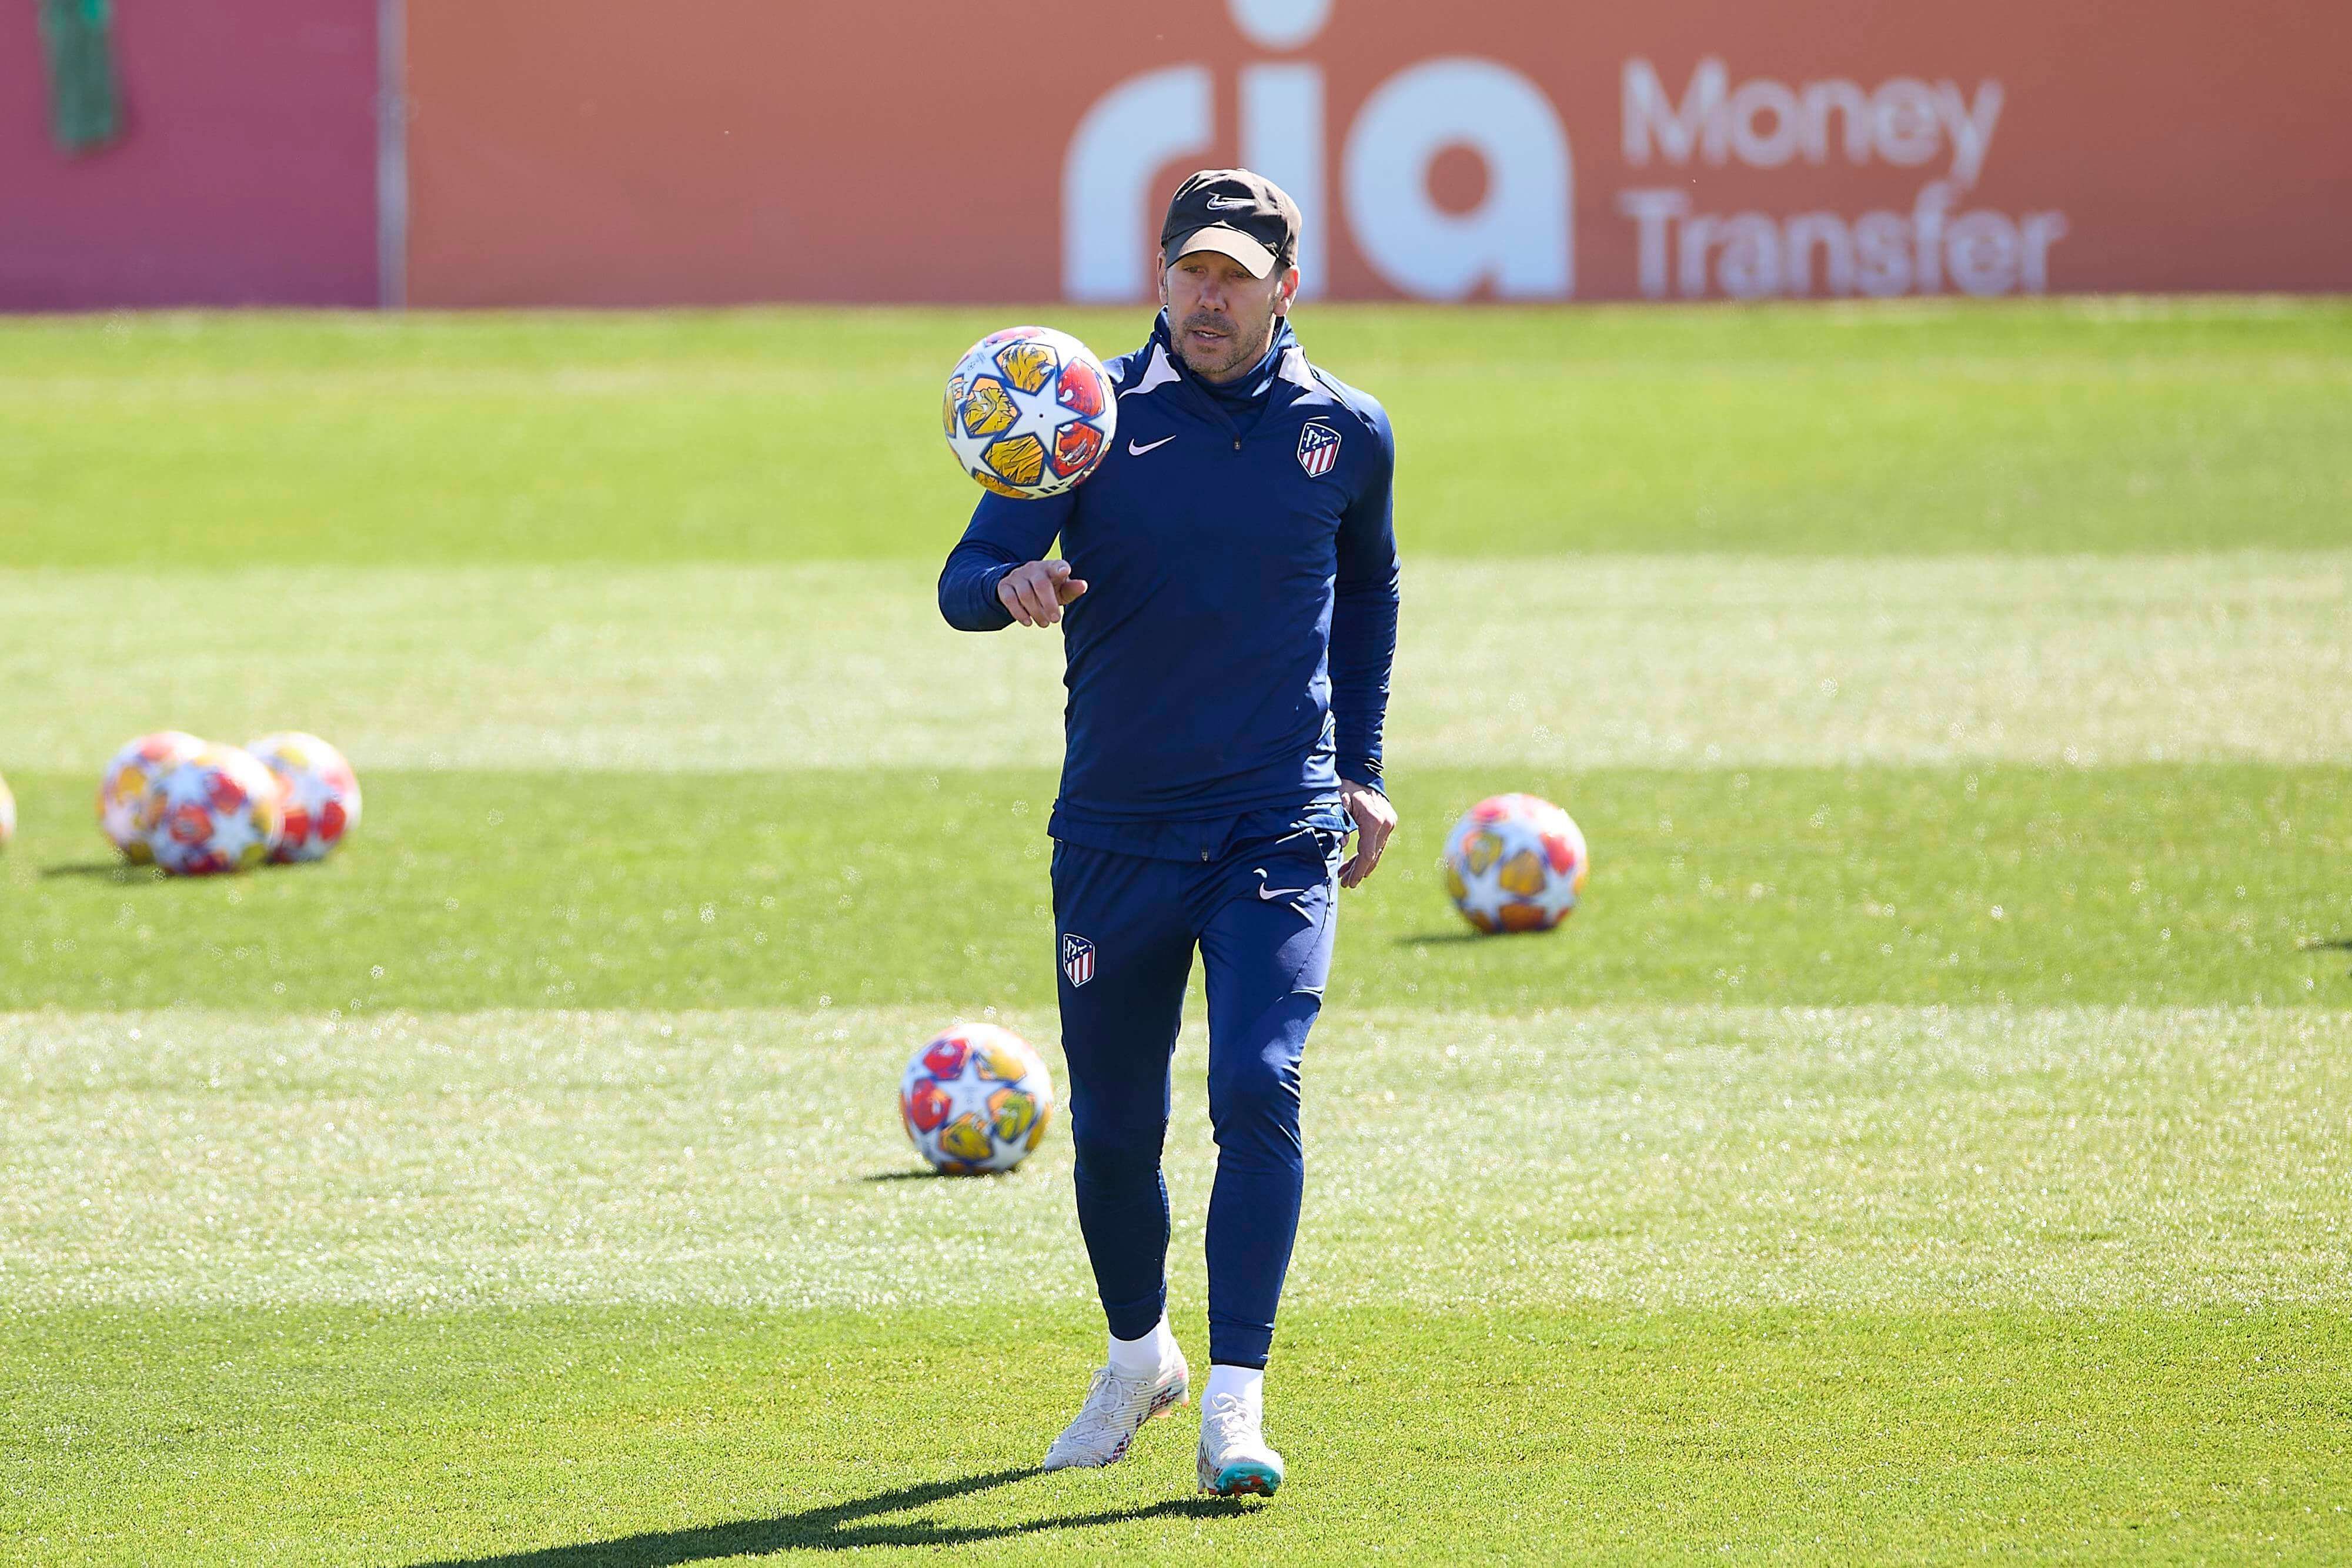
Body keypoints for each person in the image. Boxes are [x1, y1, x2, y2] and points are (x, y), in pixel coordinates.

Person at [937, 168, 1400, 1498]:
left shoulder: (1345, 431)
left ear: (1283, 289)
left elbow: (1369, 584)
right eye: (1190, 271)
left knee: (1257, 1083)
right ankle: (1140, 1358)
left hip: (1273, 826)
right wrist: (1013, 581)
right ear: (1160, 276)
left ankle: (1236, 1403)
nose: (1208, 298)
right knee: (1112, 1128)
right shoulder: (1084, 418)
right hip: (1116, 832)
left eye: (1233, 278)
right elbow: (962, 577)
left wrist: (1359, 769)